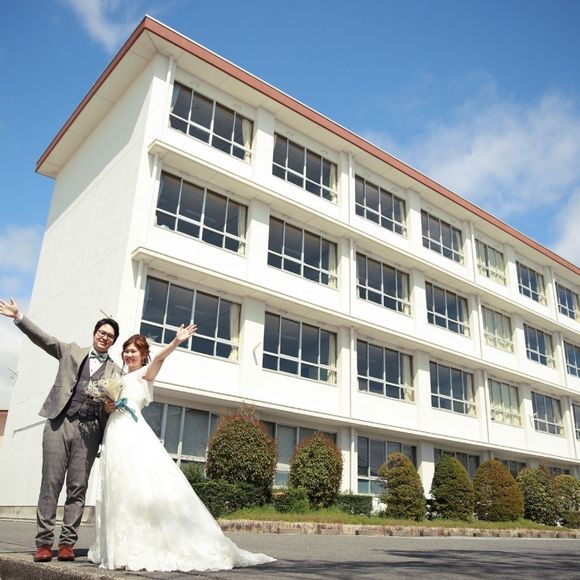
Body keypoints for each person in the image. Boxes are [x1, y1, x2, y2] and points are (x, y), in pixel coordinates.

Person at [88, 326, 275, 572]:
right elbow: (107, 406)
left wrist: (176, 341)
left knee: (138, 484)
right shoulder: (119, 378)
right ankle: (118, 547)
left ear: (143, 355)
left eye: (133, 351)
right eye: (126, 351)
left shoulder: (145, 373)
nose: (128, 355)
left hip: (132, 432)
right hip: (115, 431)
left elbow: (159, 358)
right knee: (118, 485)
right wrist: (108, 407)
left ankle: (140, 546)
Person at [0, 298, 121, 563]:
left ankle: (67, 543)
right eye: (102, 332)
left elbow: (115, 405)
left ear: (113, 342)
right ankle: (44, 542)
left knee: (78, 487)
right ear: (94, 333)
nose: (105, 337)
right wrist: (19, 317)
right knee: (50, 483)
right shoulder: (71, 351)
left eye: (110, 336)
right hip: (59, 422)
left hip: (90, 431)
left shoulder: (116, 370)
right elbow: (44, 339)